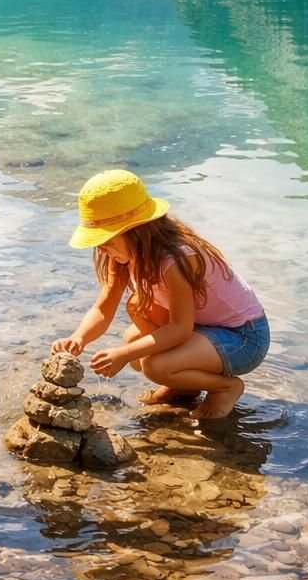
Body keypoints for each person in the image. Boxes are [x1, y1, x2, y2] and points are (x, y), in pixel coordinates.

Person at [53, 169, 269, 421]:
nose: (101, 247)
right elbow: (103, 308)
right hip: (205, 329)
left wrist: (123, 355)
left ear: (137, 231)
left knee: (154, 365)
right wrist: (78, 338)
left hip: (244, 338)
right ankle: (182, 386)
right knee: (134, 328)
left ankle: (225, 387)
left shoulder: (176, 260)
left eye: (106, 240)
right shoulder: (123, 256)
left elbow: (179, 329)